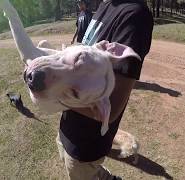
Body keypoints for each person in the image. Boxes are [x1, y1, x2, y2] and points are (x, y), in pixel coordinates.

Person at [57, 0, 154, 179]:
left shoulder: (135, 15)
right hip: (68, 125)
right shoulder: (105, 5)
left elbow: (113, 106)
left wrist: (54, 95)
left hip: (87, 142)